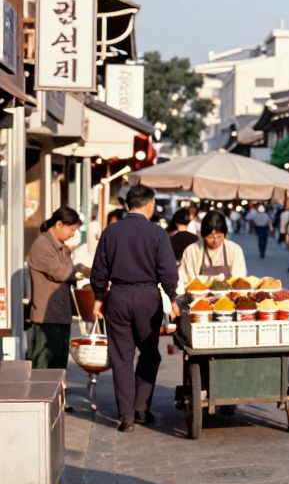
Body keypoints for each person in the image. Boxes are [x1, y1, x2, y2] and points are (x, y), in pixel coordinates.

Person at [90, 184, 180, 431]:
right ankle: (141, 407)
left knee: (121, 358)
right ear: (150, 205)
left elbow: (99, 271)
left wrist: (99, 299)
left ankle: (126, 418)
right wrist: (172, 298)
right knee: (150, 354)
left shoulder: (110, 232)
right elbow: (167, 271)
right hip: (146, 299)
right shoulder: (157, 233)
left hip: (117, 296)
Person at [27, 206, 90, 369]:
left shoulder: (61, 247)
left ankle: (56, 394)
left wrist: (81, 269)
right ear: (59, 224)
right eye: (72, 229)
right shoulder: (42, 245)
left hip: (62, 313)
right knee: (44, 363)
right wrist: (79, 271)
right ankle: (39, 395)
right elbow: (60, 273)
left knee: (59, 363)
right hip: (47, 316)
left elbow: (69, 271)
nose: (73, 234)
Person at [180, 211, 247, 285]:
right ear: (203, 235)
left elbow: (239, 280)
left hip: (228, 295)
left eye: (219, 236)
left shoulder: (234, 250)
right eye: (211, 237)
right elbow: (185, 280)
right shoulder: (192, 251)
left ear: (225, 234)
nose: (215, 241)